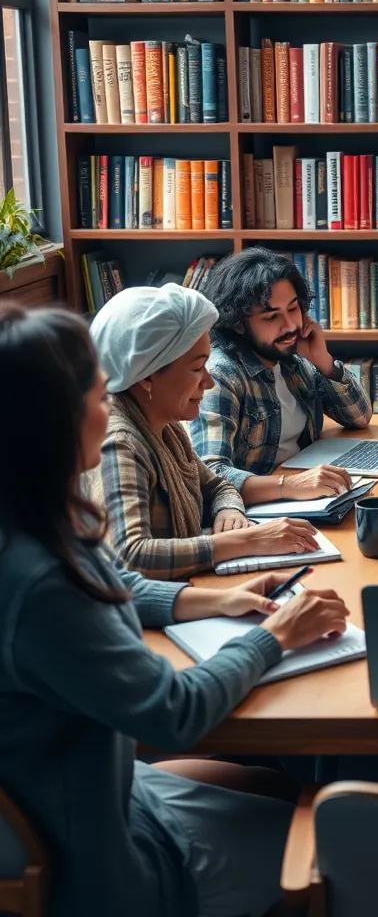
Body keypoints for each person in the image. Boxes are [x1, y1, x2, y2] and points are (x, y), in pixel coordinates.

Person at [0, 303, 352, 917]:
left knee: (282, 787)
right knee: (340, 852)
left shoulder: (30, 526)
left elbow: (113, 585)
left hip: (101, 791)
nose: (105, 403)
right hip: (101, 857)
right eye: (94, 389)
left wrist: (213, 598)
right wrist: (273, 636)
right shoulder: (41, 584)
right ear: (50, 421)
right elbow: (173, 711)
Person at [85, 284, 320, 580]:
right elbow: (130, 556)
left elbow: (218, 486)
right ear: (146, 376)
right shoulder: (119, 443)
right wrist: (249, 540)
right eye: (197, 369)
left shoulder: (166, 427)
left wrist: (229, 512)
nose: (209, 382)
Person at [189, 248, 372, 502]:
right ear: (238, 323)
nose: (290, 326)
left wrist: (323, 360)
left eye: (294, 308)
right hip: (261, 511)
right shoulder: (221, 376)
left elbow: (359, 417)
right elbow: (210, 477)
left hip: (307, 496)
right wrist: (291, 485)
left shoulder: (293, 362)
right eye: (272, 316)